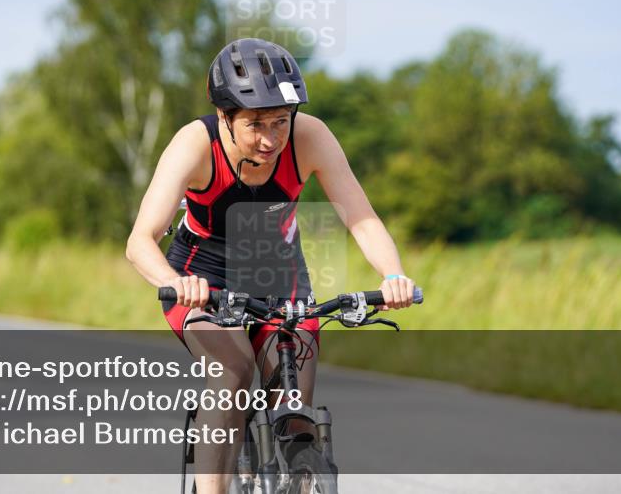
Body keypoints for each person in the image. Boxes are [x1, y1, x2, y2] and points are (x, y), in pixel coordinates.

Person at [125, 38, 416, 494]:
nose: (270, 139)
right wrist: (175, 284)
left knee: (294, 398)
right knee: (234, 371)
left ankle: (302, 474)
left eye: (280, 121)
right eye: (255, 124)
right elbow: (140, 241)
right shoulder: (195, 144)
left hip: (279, 272)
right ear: (225, 116)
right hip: (202, 276)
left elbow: (360, 217)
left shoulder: (310, 137)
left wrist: (393, 275)